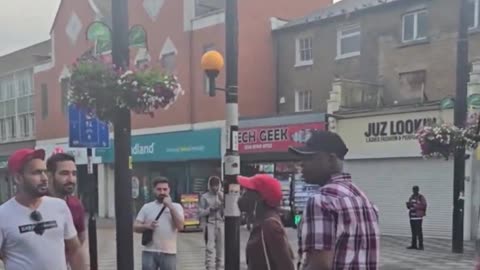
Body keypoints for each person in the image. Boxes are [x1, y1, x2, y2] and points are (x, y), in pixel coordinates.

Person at [289, 131, 380, 270]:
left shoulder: (321, 201)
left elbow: (319, 265)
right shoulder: (364, 199)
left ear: (330, 160)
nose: (302, 164)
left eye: (309, 158)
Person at [0, 148, 87, 270]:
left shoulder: (60, 206)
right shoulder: (3, 215)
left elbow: (75, 250)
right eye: (36, 172)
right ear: (18, 178)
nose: (44, 178)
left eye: (44, 172)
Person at [237, 174, 295, 270]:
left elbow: (286, 266)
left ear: (260, 197)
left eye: (247, 191)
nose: (242, 195)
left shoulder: (270, 225)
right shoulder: (261, 222)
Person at [134, 177, 185, 270]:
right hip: (149, 251)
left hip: (169, 252)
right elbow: (135, 227)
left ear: (169, 190)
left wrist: (170, 206)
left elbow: (180, 226)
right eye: (159, 189)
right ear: (154, 190)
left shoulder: (177, 207)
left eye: (165, 189)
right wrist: (146, 226)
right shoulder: (147, 207)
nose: (162, 192)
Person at [47, 153, 86, 244]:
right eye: (64, 173)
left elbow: (81, 239)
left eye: (74, 173)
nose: (71, 179)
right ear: (49, 176)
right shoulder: (36, 202)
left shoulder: (76, 205)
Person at [199, 176, 224, 270]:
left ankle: (219, 267)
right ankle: (209, 267)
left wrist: (223, 202)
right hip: (209, 224)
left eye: (217, 186)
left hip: (221, 223)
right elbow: (200, 212)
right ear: (209, 185)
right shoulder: (204, 197)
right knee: (209, 249)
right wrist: (210, 209)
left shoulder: (222, 195)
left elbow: (229, 210)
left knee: (220, 249)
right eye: (213, 186)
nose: (215, 188)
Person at [406, 185, 427, 250]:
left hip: (418, 217)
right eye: (413, 190)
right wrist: (408, 205)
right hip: (412, 217)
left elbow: (424, 205)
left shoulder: (421, 197)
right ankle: (414, 245)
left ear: (418, 190)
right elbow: (409, 206)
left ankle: (421, 246)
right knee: (413, 232)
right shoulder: (411, 197)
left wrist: (415, 206)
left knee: (419, 231)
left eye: (415, 190)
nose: (414, 191)